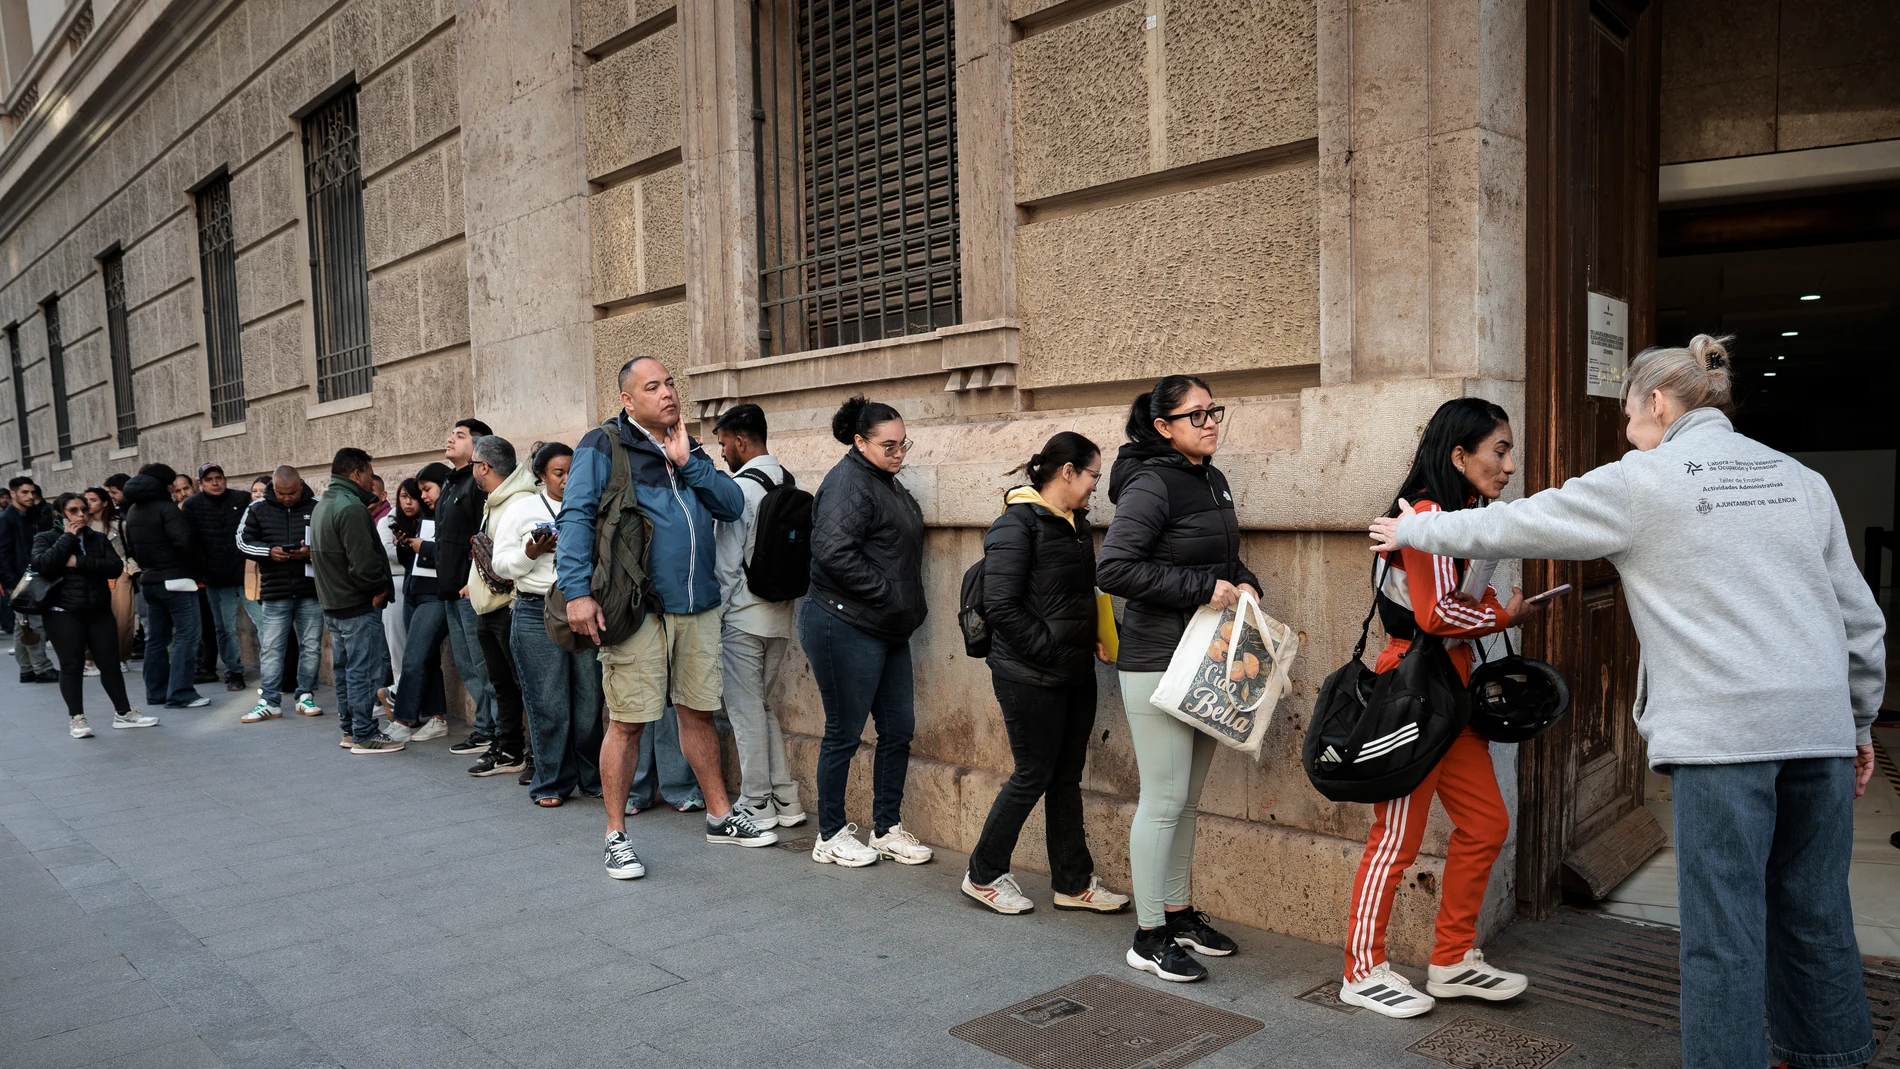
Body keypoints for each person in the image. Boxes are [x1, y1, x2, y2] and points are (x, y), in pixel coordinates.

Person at [1369, 336, 1886, 1069]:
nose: (1627, 434)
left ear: (1657, 403)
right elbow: (1860, 620)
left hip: (1723, 735)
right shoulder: (1799, 480)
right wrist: (1860, 719)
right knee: (1817, 910)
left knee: (1723, 928)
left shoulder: (1646, 479)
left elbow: (1520, 519)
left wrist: (1415, 527)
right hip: (1820, 728)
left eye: (1627, 418)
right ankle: (1833, 1056)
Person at [1330, 397, 1533, 1017]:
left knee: (1487, 825)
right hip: (1413, 695)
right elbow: (1436, 614)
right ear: (1459, 454)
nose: (1509, 465)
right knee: (1396, 838)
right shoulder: (1425, 517)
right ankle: (1361, 970)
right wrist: (1506, 614)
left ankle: (1451, 961)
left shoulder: (1457, 514)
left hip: (1449, 694)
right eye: (1499, 451)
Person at [557, 355, 771, 882]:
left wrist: (689, 461)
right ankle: (616, 836)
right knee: (627, 722)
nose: (668, 393)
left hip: (697, 607)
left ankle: (721, 816)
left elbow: (729, 504)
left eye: (670, 383)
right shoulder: (603, 444)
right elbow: (577, 516)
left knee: (697, 713)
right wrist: (576, 591)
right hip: (638, 610)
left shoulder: (687, 444)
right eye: (653, 387)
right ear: (629, 400)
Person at [1097, 375, 1253, 983]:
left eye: (1215, 410)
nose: (1210, 422)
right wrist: (1199, 588)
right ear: (1163, 427)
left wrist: (1245, 581)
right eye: (1196, 415)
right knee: (1162, 800)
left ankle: (1180, 913)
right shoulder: (1151, 483)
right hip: (1158, 661)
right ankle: (1148, 932)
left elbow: (1222, 558)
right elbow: (1114, 568)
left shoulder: (1210, 478)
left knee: (1186, 800)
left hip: (1207, 662)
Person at [962, 432, 1130, 916]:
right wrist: (1053, 650)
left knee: (1065, 778)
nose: (1098, 485)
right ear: (1068, 471)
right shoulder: (1016, 525)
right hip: (1028, 675)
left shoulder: (1076, 524)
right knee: (1033, 773)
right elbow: (1001, 607)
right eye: (1094, 474)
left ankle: (1073, 883)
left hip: (1074, 670)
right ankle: (984, 874)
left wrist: (1098, 633)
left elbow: (1078, 595)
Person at [800, 395, 932, 869]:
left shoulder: (884, 480)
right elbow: (833, 553)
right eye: (889, 446)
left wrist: (896, 604)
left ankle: (886, 828)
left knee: (899, 729)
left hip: (886, 626)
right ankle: (830, 833)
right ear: (860, 442)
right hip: (844, 624)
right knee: (844, 732)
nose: (899, 455)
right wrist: (889, 594)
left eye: (903, 445)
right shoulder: (847, 483)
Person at [492, 441, 603, 805]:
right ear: (541, 476)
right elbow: (500, 564)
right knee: (549, 703)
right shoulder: (521, 508)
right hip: (535, 611)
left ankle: (593, 777)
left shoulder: (590, 503)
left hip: (583, 608)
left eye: (573, 471)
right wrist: (530, 553)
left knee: (589, 703)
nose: (568, 479)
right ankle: (551, 782)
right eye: (559, 473)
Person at [711, 404, 805, 830]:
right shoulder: (790, 481)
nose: (723, 453)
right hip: (781, 615)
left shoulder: (739, 491)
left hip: (744, 619)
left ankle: (756, 803)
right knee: (761, 707)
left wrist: (721, 617)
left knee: (745, 712)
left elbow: (727, 565)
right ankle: (786, 799)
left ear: (741, 440)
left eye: (724, 444)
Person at [32, 494, 157, 737]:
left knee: (110, 664)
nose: (81, 515)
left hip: (98, 610)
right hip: (62, 613)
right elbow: (44, 564)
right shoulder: (45, 538)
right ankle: (77, 718)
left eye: (84, 510)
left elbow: (113, 567)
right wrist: (68, 538)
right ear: (60, 515)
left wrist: (78, 562)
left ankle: (123, 713)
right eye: (73, 510)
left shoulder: (97, 538)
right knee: (71, 666)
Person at [311, 448, 397, 753]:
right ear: (356, 473)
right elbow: (363, 564)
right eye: (369, 473)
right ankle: (363, 733)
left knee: (346, 669)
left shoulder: (326, 504)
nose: (371, 480)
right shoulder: (350, 507)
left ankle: (350, 730)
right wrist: (378, 590)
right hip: (355, 604)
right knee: (360, 670)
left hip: (336, 603)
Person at [463, 435, 529, 777]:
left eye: (473, 463)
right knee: (502, 685)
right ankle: (509, 750)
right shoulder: (496, 499)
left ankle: (530, 754)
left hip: (507, 609)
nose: (471, 468)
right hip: (488, 609)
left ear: (484, 467)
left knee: (522, 685)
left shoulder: (517, 502)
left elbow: (516, 562)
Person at [236, 466, 323, 721]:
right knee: (272, 647)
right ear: (273, 488)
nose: (287, 498)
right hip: (275, 590)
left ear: (301, 486)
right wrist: (269, 552)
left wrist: (311, 552)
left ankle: (305, 695)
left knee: (311, 646)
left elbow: (332, 541)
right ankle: (270, 701)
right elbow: (241, 541)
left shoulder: (317, 506)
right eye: (282, 493)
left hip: (310, 589)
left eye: (292, 493)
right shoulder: (257, 508)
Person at [437, 418, 501, 756]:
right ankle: (485, 727)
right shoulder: (450, 483)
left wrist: (470, 580)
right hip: (450, 592)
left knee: (484, 666)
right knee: (467, 665)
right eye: (452, 433)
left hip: (470, 592)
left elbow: (486, 537)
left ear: (478, 446)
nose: (450, 438)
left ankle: (495, 730)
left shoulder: (477, 485)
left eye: (459, 435)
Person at [121, 463, 208, 709]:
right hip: (176, 581)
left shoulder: (134, 511)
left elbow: (133, 549)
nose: (173, 488)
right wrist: (193, 568)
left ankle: (156, 692)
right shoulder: (166, 508)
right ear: (164, 484)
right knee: (188, 635)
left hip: (150, 581)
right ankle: (181, 693)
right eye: (171, 484)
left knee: (156, 639)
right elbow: (185, 543)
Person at [387, 467, 452, 740]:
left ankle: (402, 721)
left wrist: (422, 547)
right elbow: (413, 563)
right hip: (413, 593)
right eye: (420, 491)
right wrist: (406, 545)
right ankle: (436, 718)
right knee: (426, 658)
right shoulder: (425, 517)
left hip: (434, 596)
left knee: (412, 658)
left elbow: (450, 555)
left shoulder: (451, 513)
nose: (422, 497)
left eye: (427, 490)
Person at [182, 463, 250, 691]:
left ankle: (273, 673)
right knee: (225, 628)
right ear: (201, 484)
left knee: (265, 623)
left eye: (218, 477)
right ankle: (234, 672)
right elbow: (190, 542)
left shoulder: (242, 499)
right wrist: (202, 571)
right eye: (209, 479)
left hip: (246, 574)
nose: (215, 482)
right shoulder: (192, 506)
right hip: (216, 579)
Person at [0, 476, 57, 683]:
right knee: (34, 623)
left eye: (32, 492)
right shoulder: (6, 519)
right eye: (24, 492)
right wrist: (11, 583)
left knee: (21, 625)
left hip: (28, 577)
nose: (30, 496)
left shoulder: (29, 516)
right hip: (19, 581)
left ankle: (26, 669)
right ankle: (42, 668)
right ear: (13, 493)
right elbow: (2, 554)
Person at [84, 487, 134, 665]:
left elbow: (130, 548)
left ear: (104, 502)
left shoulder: (119, 524)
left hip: (119, 572)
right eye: (86, 500)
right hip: (93, 572)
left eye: (93, 500)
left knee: (122, 616)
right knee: (94, 617)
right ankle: (91, 658)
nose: (88, 504)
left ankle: (120, 657)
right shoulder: (84, 525)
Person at [374, 475, 409, 707]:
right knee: (396, 651)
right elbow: (388, 553)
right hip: (396, 586)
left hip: (422, 588)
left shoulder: (427, 518)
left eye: (413, 496)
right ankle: (398, 699)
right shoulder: (389, 520)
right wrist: (417, 552)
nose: (408, 502)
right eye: (404, 496)